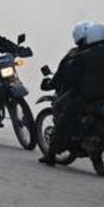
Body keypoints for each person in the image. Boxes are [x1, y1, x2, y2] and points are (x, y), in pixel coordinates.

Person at [38, 21, 92, 166]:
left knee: (62, 114)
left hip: (80, 95)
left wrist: (49, 84)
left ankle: (51, 154)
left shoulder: (74, 55)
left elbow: (62, 75)